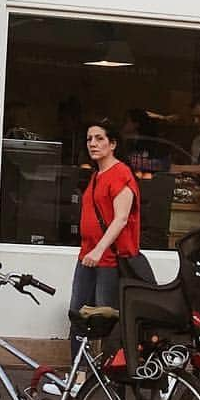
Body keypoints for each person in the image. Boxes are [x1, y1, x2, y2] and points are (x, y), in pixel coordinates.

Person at [69, 118, 141, 369]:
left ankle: (109, 377)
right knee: (78, 316)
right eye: (89, 139)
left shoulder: (121, 174)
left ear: (113, 144)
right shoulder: (96, 175)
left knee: (105, 319)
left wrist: (99, 250)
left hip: (108, 259)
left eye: (99, 138)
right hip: (87, 257)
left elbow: (121, 218)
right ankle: (78, 376)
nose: (93, 143)